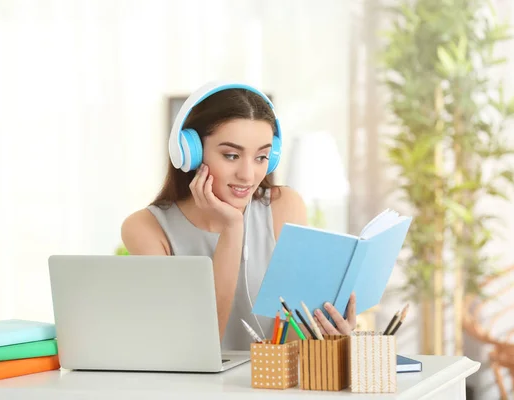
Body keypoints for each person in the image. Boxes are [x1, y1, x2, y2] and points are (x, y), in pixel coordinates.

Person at [121, 81, 357, 350]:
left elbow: (294, 342)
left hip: (272, 388)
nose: (248, 175)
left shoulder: (284, 206)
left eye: (261, 157)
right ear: (192, 154)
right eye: (231, 155)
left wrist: (327, 334)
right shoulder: (146, 228)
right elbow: (199, 344)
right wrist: (232, 228)